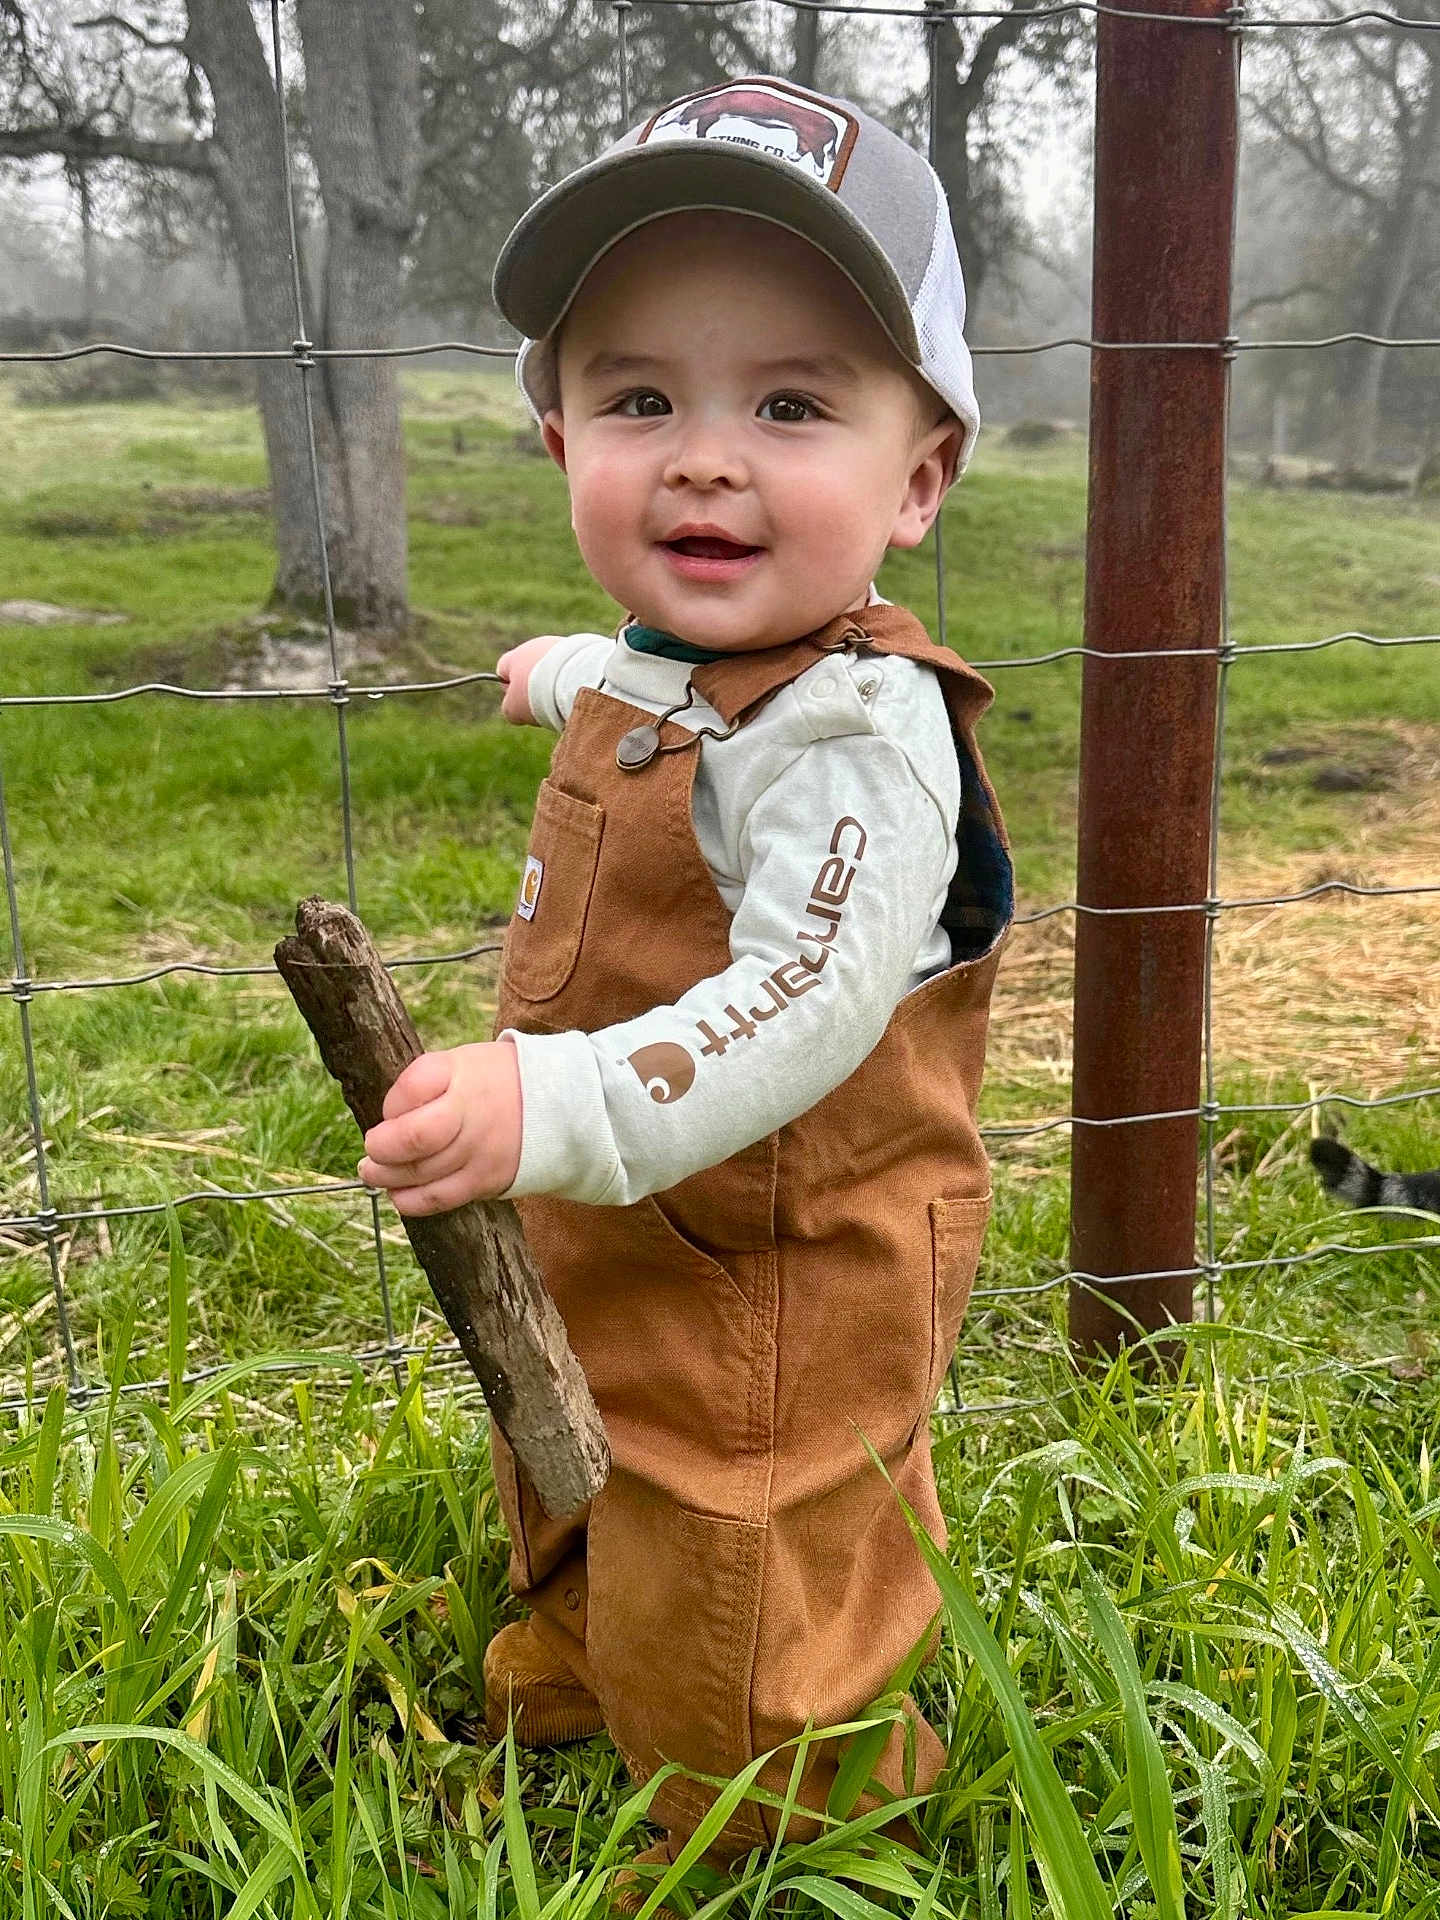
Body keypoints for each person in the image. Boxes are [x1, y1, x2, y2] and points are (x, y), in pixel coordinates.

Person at [359, 73, 1013, 1884]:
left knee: (744, 1516)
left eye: (792, 406)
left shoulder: (864, 733)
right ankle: (587, 1664)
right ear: (562, 442)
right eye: (639, 398)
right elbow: (650, 685)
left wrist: (551, 1101)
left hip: (791, 1252)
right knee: (573, 1427)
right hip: (625, 1209)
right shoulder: (671, 656)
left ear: (921, 475)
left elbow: (811, 991)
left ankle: (778, 1820)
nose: (706, 457)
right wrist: (563, 662)